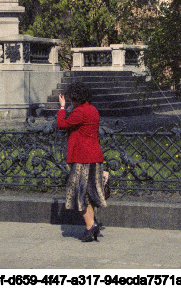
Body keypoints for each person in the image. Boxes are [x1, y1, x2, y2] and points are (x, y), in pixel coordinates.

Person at [57, 81, 107, 242]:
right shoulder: (93, 110)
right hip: (94, 156)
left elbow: (62, 124)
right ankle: (91, 225)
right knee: (87, 193)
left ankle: (90, 226)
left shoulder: (80, 112)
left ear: (75, 98)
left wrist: (62, 108)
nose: (71, 100)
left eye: (72, 98)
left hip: (82, 158)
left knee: (79, 193)